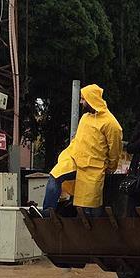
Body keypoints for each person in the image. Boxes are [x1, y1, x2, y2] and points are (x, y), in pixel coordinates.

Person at [41, 84, 123, 216]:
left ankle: (90, 231)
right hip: (73, 159)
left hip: (92, 167)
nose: (81, 102)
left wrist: (111, 168)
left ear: (91, 99)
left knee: (87, 207)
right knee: (54, 177)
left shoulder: (111, 124)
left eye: (83, 99)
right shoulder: (85, 118)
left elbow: (115, 150)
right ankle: (47, 213)